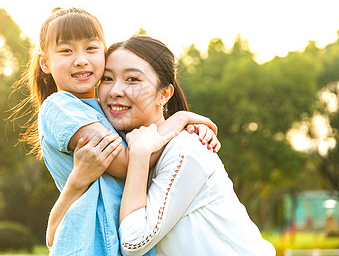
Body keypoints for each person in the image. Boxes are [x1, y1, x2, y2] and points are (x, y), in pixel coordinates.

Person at [10, 7, 220, 255]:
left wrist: (184, 128)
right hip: (91, 245)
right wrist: (180, 119)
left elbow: (144, 138)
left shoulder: (102, 110)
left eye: (91, 48)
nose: (81, 59)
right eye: (66, 51)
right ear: (45, 62)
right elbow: (127, 163)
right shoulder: (61, 107)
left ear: (103, 53)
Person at [70, 35, 276, 255]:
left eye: (132, 79)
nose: (115, 91)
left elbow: (133, 244)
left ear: (164, 94)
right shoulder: (123, 154)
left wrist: (140, 153)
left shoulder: (185, 149)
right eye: (107, 79)